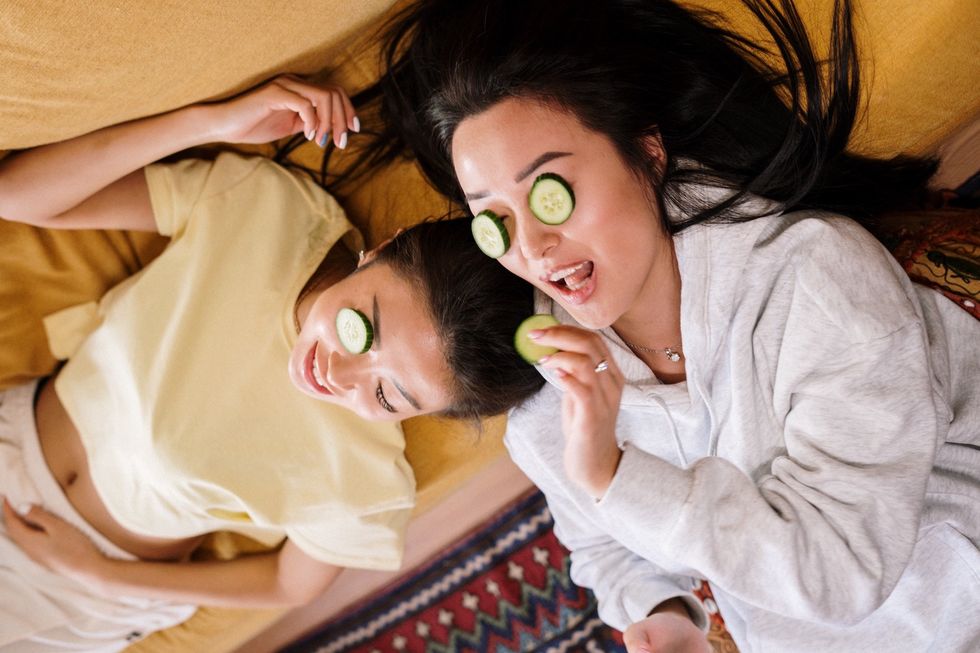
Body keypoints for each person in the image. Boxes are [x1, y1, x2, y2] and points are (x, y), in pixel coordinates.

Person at [366, 0, 980, 651]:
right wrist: (662, 611)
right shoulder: (549, 394)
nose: (536, 248)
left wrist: (613, 474)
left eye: (552, 190)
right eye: (498, 220)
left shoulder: (817, 283)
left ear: (648, 151)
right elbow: (602, 542)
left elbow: (838, 575)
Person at [0, 76, 542, 650]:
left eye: (387, 396)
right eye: (363, 327)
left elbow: (291, 584)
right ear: (383, 248)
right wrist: (209, 120)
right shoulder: (267, 209)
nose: (338, 376)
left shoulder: (363, 479)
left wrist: (98, 574)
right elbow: (17, 194)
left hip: (71, 592)